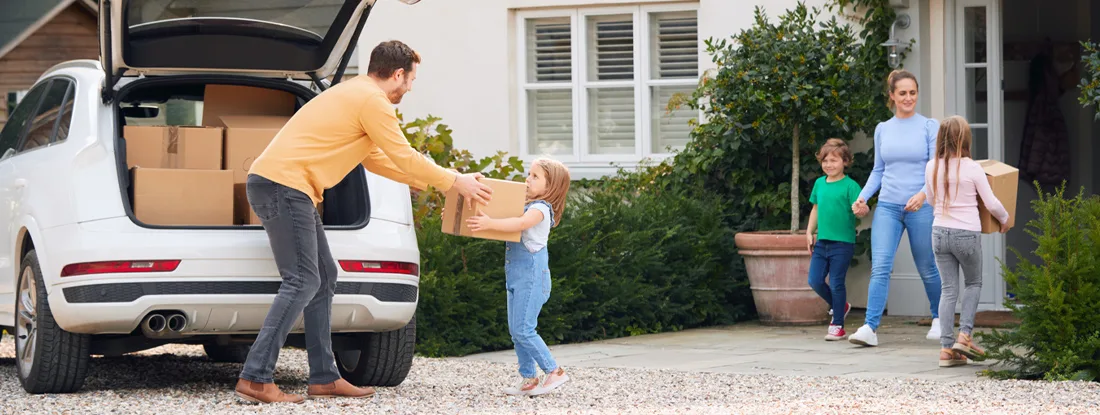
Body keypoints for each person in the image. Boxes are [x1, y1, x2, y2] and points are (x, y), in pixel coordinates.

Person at [233, 40, 494, 404]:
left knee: (324, 276)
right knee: (303, 279)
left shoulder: (355, 93)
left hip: (286, 186)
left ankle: (324, 377)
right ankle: (256, 377)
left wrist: (442, 182)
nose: (410, 88)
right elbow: (403, 155)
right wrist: (454, 181)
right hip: (284, 186)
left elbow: (377, 160)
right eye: (411, 79)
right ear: (398, 74)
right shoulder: (373, 100)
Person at [849, 69, 943, 347]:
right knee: (880, 266)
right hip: (888, 206)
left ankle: (940, 319)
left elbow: (936, 168)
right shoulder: (883, 129)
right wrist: (863, 198)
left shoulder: (929, 126)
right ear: (891, 96)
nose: (908, 98)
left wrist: (924, 195)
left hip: (920, 207)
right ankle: (870, 327)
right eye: (902, 93)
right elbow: (878, 170)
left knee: (927, 266)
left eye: (912, 92)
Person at [466, 158, 572, 397]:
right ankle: (529, 378)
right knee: (517, 331)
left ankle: (554, 371)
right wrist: (467, 217)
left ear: (551, 185)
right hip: (516, 277)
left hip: (532, 278)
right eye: (529, 174)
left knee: (524, 329)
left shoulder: (540, 209)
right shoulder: (525, 205)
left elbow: (520, 223)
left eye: (535, 176)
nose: (528, 179)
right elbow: (500, 221)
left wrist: (489, 222)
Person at [923, 115, 1011, 367]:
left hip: (939, 232)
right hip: (966, 233)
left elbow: (930, 199)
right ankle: (965, 336)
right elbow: (991, 202)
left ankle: (946, 349)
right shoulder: (972, 168)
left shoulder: (932, 166)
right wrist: (1005, 219)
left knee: (948, 289)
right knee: (973, 283)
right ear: (965, 139)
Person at [806, 139, 861, 341]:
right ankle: (841, 306)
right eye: (825, 161)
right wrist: (809, 231)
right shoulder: (819, 184)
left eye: (834, 160)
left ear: (845, 162)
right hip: (822, 242)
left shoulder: (851, 186)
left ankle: (838, 325)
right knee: (814, 280)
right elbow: (815, 208)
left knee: (837, 282)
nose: (829, 164)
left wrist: (862, 210)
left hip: (843, 243)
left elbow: (860, 208)